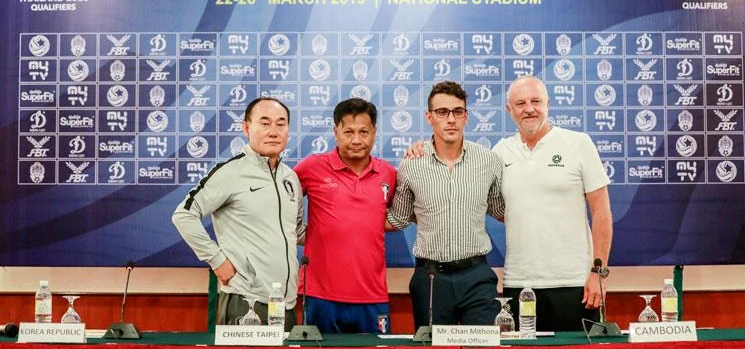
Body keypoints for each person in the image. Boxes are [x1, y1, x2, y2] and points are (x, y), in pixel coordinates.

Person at [172, 97, 303, 330]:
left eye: (281, 124)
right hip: (245, 301)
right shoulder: (230, 172)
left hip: (286, 303)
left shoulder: (290, 178)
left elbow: (296, 231)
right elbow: (183, 215)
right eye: (265, 123)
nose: (273, 131)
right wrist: (217, 260)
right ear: (246, 128)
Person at [494, 75, 613, 332]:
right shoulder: (500, 152)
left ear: (548, 104)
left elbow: (601, 212)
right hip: (519, 284)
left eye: (535, 101)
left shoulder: (578, 143)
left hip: (575, 284)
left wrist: (598, 274)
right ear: (509, 109)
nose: (529, 109)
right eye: (520, 103)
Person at [386, 81, 504, 328]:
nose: (451, 119)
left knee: (485, 344)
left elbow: (500, 210)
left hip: (477, 275)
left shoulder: (489, 161)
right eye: (442, 112)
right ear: (429, 117)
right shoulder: (412, 164)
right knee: (432, 345)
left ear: (466, 117)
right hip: (431, 278)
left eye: (457, 112)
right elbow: (398, 218)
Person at [294, 98, 396, 333]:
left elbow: (402, 214)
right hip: (320, 295)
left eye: (363, 132)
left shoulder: (388, 173)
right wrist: (302, 235)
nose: (356, 140)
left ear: (374, 132)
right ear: (336, 132)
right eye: (348, 132)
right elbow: (280, 201)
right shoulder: (311, 168)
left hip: (372, 295)